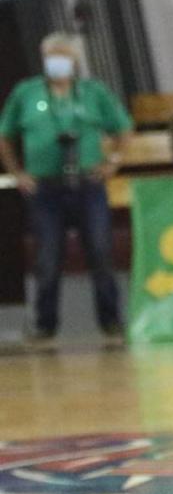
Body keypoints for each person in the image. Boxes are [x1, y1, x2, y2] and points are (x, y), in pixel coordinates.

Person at [0, 32, 131, 341]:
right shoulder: (27, 92)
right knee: (47, 256)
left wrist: (113, 161)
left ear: (74, 60)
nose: (56, 62)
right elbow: (5, 134)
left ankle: (111, 320)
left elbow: (123, 128)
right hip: (45, 188)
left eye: (62, 55)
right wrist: (17, 172)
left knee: (101, 251)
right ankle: (45, 325)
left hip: (88, 184)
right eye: (51, 55)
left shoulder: (93, 91)